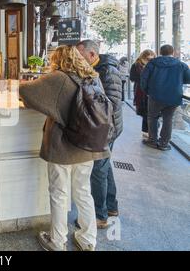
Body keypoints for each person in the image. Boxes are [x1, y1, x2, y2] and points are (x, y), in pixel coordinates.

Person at [20, 45, 110, 252]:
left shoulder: (58, 78)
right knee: (83, 192)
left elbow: (25, 90)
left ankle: (57, 241)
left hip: (63, 146)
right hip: (88, 145)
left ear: (59, 59)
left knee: (59, 193)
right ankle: (88, 240)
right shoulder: (93, 76)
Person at [77, 40, 122, 229]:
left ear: (93, 55)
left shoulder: (107, 71)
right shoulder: (100, 68)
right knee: (105, 167)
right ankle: (111, 207)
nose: (77, 59)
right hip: (105, 126)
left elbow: (108, 104)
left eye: (80, 55)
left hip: (105, 128)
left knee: (98, 170)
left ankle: (99, 216)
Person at [141, 45, 190, 151]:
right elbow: (188, 79)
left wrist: (147, 91)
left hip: (155, 95)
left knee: (152, 117)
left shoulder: (152, 63)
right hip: (173, 96)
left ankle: (152, 140)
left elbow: (144, 79)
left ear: (160, 52)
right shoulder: (181, 65)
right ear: (172, 52)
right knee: (168, 119)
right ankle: (164, 143)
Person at [130, 49, 156, 138]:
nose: (149, 60)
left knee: (149, 110)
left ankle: (148, 130)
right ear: (143, 57)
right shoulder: (136, 65)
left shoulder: (154, 65)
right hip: (140, 90)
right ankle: (147, 131)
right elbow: (132, 77)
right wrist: (143, 78)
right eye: (147, 58)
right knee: (144, 110)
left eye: (151, 59)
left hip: (151, 90)